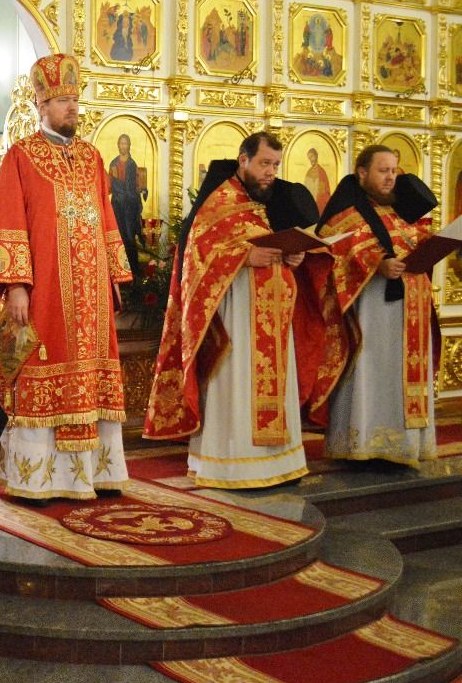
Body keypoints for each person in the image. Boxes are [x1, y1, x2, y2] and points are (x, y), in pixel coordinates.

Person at [0, 54, 132, 502]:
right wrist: (16, 285)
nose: (72, 107)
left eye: (75, 99)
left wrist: (113, 277)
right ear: (41, 105)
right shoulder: (22, 156)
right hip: (44, 291)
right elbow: (8, 219)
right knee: (39, 367)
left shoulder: (92, 158)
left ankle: (94, 474)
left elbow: (106, 218)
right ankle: (36, 479)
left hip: (91, 294)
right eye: (62, 101)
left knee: (91, 370)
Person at [144, 132, 339, 488]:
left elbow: (280, 247)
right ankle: (233, 466)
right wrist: (245, 256)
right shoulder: (219, 201)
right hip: (236, 321)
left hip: (274, 321)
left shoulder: (267, 203)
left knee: (274, 388)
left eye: (275, 165)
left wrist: (294, 257)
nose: (270, 172)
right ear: (243, 160)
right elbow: (196, 256)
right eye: (264, 163)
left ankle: (278, 465)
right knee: (237, 388)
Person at [315, 146, 438, 467]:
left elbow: (413, 242)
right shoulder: (348, 212)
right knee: (371, 373)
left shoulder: (398, 210)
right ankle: (364, 444)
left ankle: (404, 446)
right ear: (362, 172)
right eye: (383, 170)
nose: (390, 177)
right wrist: (377, 263)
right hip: (371, 313)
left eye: (394, 171)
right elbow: (335, 246)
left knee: (401, 377)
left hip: (411, 310)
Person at [107, 133, 147, 277]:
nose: (123, 146)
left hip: (130, 207)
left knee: (130, 237)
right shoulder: (113, 163)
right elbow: (110, 185)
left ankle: (134, 271)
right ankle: (119, 271)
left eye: (125, 143)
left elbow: (136, 184)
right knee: (119, 237)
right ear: (118, 145)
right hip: (118, 206)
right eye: (121, 143)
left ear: (129, 146)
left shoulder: (132, 164)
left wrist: (142, 188)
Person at [303, 146, 332, 211]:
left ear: (316, 156)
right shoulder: (308, 173)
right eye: (309, 158)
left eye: (312, 156)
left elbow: (326, 191)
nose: (311, 159)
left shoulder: (322, 172)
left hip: (319, 205)